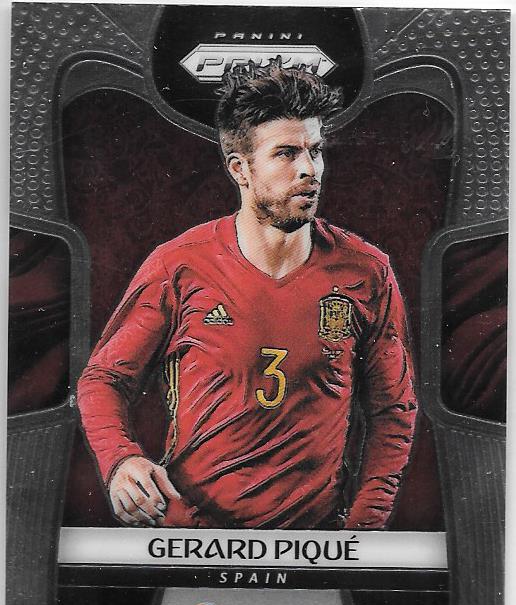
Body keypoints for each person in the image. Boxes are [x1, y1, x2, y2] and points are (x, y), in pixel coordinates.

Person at [77, 60, 417, 530]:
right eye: (286, 154)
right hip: (192, 537)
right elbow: (103, 379)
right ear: (240, 169)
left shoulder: (365, 271)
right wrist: (120, 458)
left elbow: (393, 409)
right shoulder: (180, 266)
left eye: (315, 151)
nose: (309, 170)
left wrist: (363, 529)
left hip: (313, 545)